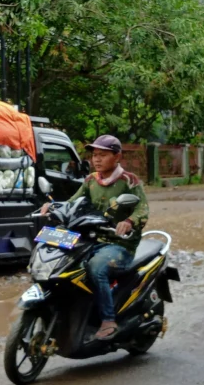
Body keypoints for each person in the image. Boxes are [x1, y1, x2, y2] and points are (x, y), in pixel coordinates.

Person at [41, 134, 149, 340]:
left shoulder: (129, 181)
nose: (96, 159)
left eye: (103, 155)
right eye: (94, 155)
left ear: (117, 157)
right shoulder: (91, 180)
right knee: (60, 262)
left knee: (96, 268)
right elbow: (74, 202)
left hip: (119, 244)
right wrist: (54, 206)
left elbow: (142, 210)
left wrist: (129, 222)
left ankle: (108, 320)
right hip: (90, 238)